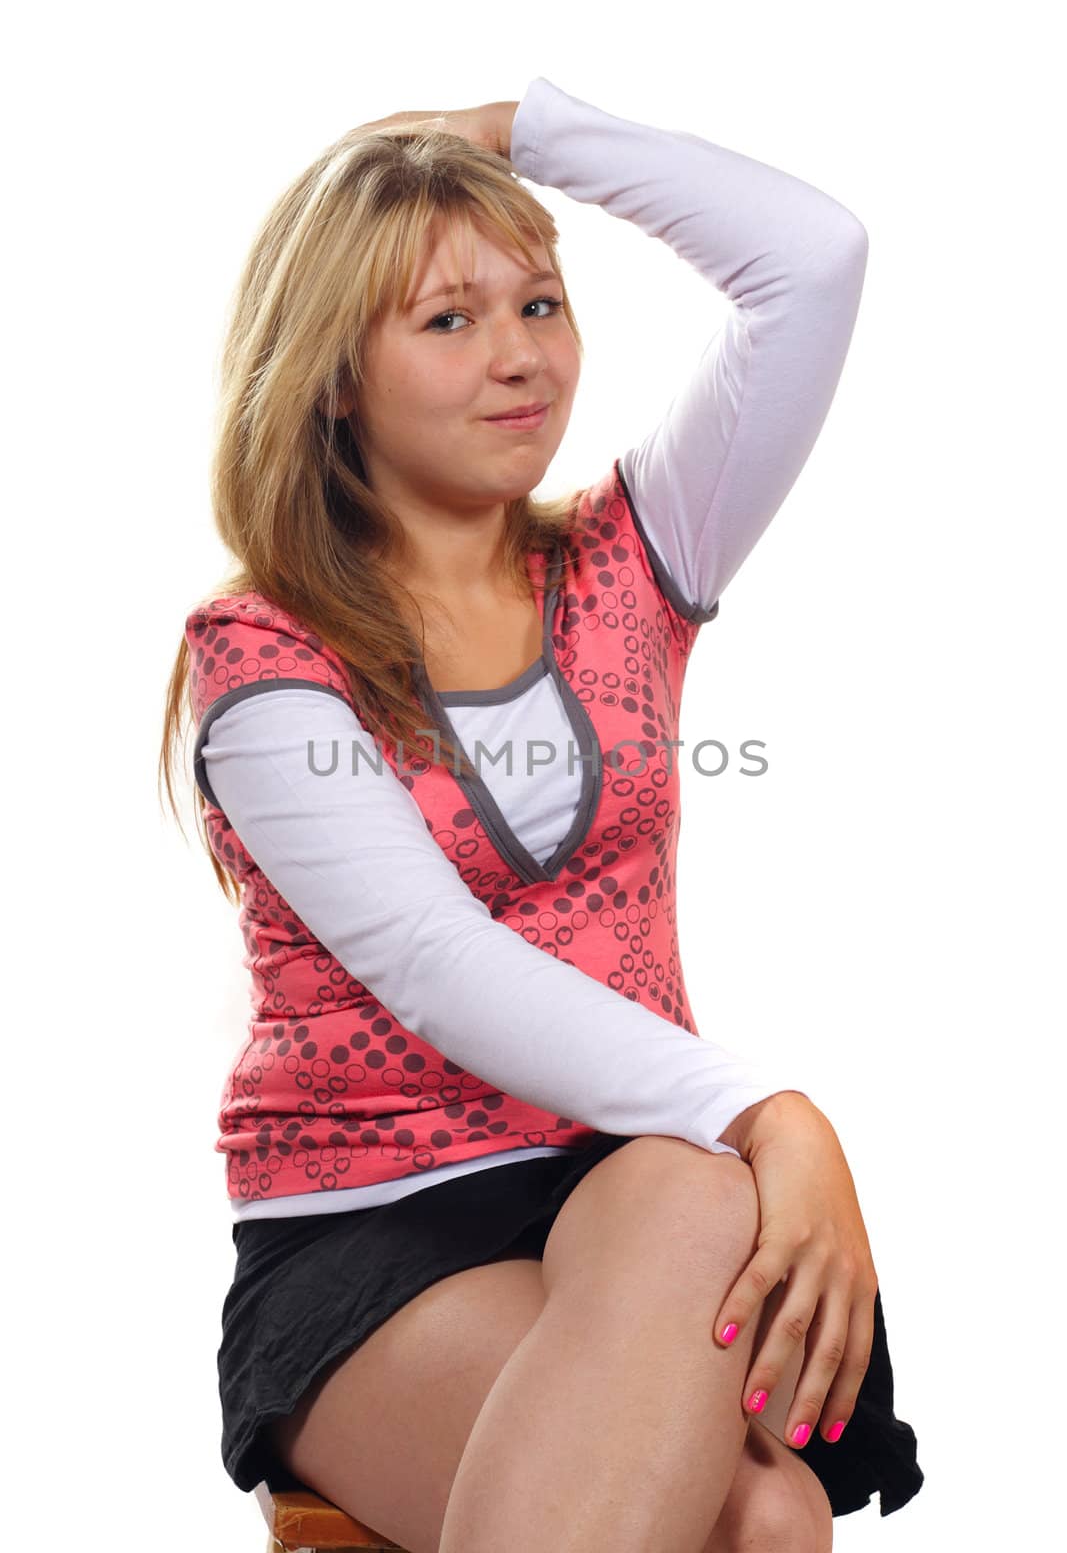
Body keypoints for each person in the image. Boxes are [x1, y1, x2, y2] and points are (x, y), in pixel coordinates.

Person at [160, 76, 923, 1550]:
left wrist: (522, 139)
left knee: (688, 1199)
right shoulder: (265, 660)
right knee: (760, 1519)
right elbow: (442, 967)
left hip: (623, 1186)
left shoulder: (638, 556)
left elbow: (811, 259)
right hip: (371, 1233)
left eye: (540, 304)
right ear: (333, 373)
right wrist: (767, 1114)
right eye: (447, 321)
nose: (519, 361)